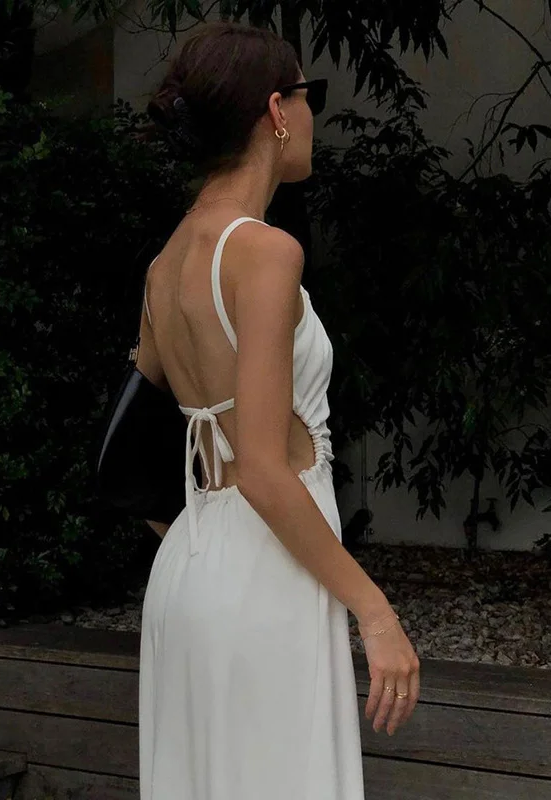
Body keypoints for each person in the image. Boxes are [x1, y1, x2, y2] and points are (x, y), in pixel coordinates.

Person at [134, 21, 420, 800]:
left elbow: (134, 440)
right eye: (307, 94)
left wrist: (199, 539)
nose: (311, 113)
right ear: (275, 110)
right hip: (266, 576)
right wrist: (375, 611)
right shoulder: (264, 252)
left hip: (189, 569)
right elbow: (263, 467)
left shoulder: (166, 264)